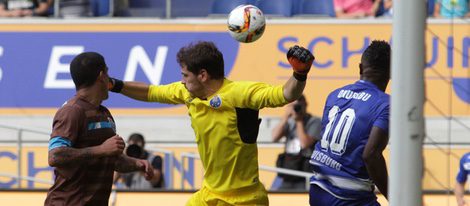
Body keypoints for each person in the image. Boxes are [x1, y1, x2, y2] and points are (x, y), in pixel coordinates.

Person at [108, 41, 314, 205]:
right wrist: (115, 85)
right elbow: (151, 92)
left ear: (203, 75)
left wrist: (299, 74)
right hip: (209, 195)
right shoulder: (187, 92)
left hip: (245, 199)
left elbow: (285, 94)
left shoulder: (240, 93)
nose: (182, 81)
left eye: (185, 75)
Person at [44, 52, 154, 206]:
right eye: (108, 72)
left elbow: (112, 159)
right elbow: (55, 156)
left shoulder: (104, 114)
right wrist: (101, 149)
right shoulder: (72, 111)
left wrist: (137, 164)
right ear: (102, 76)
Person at [309, 40, 391, 205]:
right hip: (349, 196)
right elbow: (371, 155)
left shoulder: (334, 95)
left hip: (317, 190)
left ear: (360, 68)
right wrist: (396, 196)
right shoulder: (386, 104)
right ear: (392, 72)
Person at [272, 94, 321, 191]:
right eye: (293, 106)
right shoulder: (289, 121)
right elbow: (274, 137)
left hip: (304, 172)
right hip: (289, 170)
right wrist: (285, 117)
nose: (296, 109)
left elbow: (305, 144)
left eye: (298, 106)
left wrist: (299, 121)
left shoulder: (315, 121)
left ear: (305, 105)